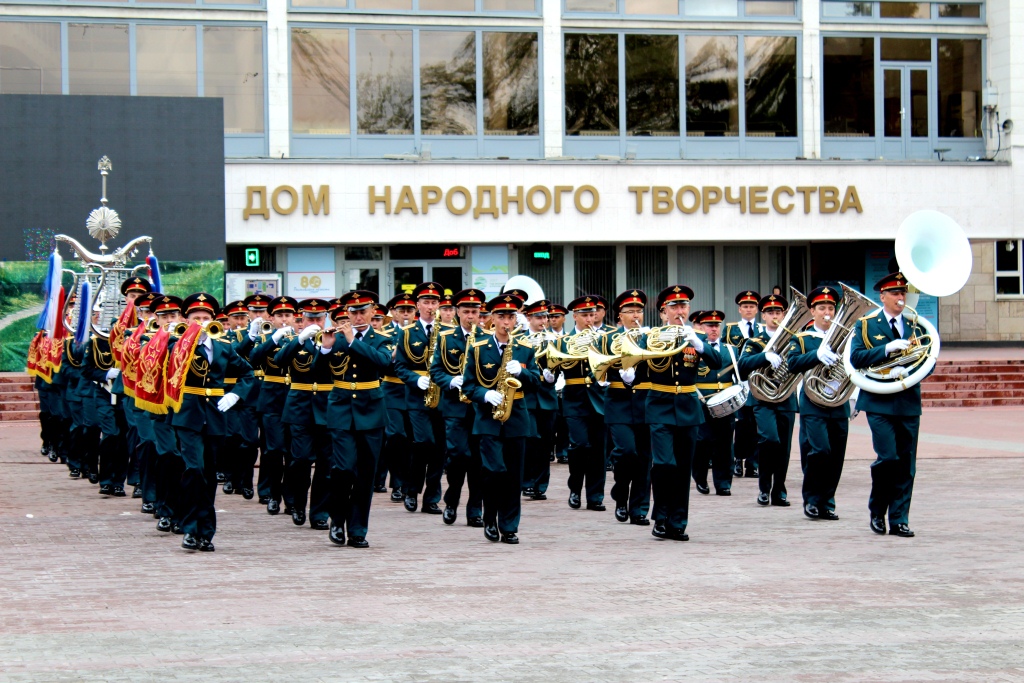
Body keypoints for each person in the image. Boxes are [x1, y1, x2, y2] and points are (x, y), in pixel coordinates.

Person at [166, 293, 254, 552]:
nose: (201, 322)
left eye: (206, 318)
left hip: (215, 416)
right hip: (188, 414)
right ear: (187, 319)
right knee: (193, 469)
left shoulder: (223, 348)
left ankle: (206, 532)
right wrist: (175, 339)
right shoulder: (176, 345)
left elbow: (248, 372)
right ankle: (190, 528)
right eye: (196, 318)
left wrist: (235, 393)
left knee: (209, 474)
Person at [317, 290, 395, 548]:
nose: (358, 316)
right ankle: (337, 520)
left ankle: (358, 529)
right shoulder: (335, 338)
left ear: (373, 312)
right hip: (340, 409)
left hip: (371, 410)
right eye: (353, 312)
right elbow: (315, 372)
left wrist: (353, 342)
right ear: (346, 313)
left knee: (366, 474)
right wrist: (325, 349)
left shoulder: (383, 338)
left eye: (363, 311)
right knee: (343, 468)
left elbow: (384, 363)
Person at [849, 272, 925, 538]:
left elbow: (929, 358)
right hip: (879, 401)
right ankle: (877, 510)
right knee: (888, 458)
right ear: (882, 297)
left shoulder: (917, 324)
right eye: (894, 293)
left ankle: (900, 519)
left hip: (907, 400)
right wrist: (886, 352)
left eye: (903, 293)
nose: (900, 298)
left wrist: (908, 372)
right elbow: (856, 357)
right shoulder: (867, 324)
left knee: (907, 463)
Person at [644, 285, 722, 541]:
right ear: (663, 312)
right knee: (665, 464)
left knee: (682, 468)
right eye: (674, 307)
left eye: (684, 306)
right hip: (660, 405)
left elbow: (716, 363)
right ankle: (661, 515)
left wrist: (700, 344)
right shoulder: (652, 336)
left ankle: (678, 522)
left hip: (688, 407)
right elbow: (636, 363)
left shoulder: (696, 336)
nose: (680, 311)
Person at [461, 294, 540, 544]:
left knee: (513, 475)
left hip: (516, 417)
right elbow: (468, 386)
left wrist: (523, 373)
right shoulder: (477, 348)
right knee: (494, 470)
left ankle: (509, 526)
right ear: (492, 318)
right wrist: (485, 395)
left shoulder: (525, 349)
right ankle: (490, 518)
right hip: (488, 419)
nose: (507, 321)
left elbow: (537, 382)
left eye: (511, 316)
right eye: (502, 316)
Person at [785, 286, 847, 521]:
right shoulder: (802, 338)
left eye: (831, 307)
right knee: (820, 450)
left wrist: (854, 398)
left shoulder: (845, 337)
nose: (827, 312)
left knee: (836, 456)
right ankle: (812, 499)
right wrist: (816, 356)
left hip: (840, 402)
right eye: (822, 308)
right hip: (813, 402)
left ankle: (827, 502)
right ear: (813, 311)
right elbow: (792, 364)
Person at [429, 288, 486, 526]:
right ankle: (451, 501)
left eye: (474, 312)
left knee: (479, 461)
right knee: (458, 456)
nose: (470, 316)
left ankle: (475, 510)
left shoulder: (488, 337)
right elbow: (435, 370)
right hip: (454, 406)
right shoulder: (445, 337)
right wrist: (451, 381)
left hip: (481, 408)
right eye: (466, 311)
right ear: (457, 313)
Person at [275, 298, 333, 530]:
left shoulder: (334, 339)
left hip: (328, 407)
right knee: (300, 459)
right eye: (311, 318)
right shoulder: (293, 340)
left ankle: (319, 512)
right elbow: (279, 361)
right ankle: (297, 502)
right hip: (300, 406)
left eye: (319, 318)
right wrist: (300, 339)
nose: (316, 322)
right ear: (302, 319)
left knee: (326, 464)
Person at [393, 282, 449, 515]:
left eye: (434, 302)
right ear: (417, 305)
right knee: (424, 443)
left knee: (440, 449)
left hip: (443, 396)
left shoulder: (448, 332)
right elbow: (400, 366)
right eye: (425, 302)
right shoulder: (407, 333)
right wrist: (416, 380)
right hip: (417, 397)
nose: (430, 306)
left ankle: (431, 498)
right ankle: (411, 490)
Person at [737, 294, 796, 508]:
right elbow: (742, 366)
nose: (775, 316)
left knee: (784, 447)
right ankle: (764, 487)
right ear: (763, 315)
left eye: (778, 312)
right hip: (762, 398)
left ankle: (779, 490)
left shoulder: (793, 340)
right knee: (769, 439)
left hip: (786, 397)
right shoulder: (755, 341)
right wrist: (764, 356)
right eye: (770, 312)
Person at [602, 290, 653, 526]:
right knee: (626, 452)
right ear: (619, 317)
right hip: (619, 404)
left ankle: (639, 509)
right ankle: (621, 495)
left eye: (639, 311)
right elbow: (599, 367)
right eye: (630, 312)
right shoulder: (608, 339)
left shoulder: (650, 338)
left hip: (644, 402)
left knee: (644, 458)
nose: (635, 316)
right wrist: (614, 374)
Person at [556, 296, 607, 512]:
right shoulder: (563, 341)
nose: (589, 319)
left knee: (598, 449)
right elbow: (553, 367)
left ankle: (595, 496)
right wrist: (550, 375)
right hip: (575, 398)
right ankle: (575, 488)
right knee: (579, 445)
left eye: (592, 314)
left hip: (599, 398)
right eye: (584, 315)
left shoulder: (604, 339)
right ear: (574, 316)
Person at [249, 296, 298, 515]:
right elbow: (254, 357)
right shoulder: (266, 338)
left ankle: (290, 497)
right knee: (274, 449)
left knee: (293, 452)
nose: (284, 319)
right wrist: (274, 339)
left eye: (288, 315)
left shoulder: (301, 338)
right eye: (280, 316)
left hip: (296, 399)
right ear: (272, 318)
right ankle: (271, 493)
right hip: (272, 400)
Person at [692, 310, 737, 497]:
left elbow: (738, 373)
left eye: (716, 325)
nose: (713, 329)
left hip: (725, 402)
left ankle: (723, 482)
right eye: (709, 325)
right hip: (702, 401)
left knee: (725, 444)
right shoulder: (695, 348)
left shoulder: (730, 350)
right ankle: (700, 477)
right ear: (701, 327)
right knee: (702, 442)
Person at [378, 293, 417, 500]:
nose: (405, 314)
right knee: (395, 436)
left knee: (412, 438)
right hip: (392, 388)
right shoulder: (384, 333)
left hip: (414, 390)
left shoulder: (420, 332)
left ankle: (407, 483)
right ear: (393, 311)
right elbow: (380, 362)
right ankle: (397, 482)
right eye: (401, 310)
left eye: (409, 310)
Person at [520, 299, 557, 501]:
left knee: (546, 443)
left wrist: (554, 375)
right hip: (527, 395)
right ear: (528, 318)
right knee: (530, 438)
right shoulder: (520, 338)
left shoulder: (553, 339)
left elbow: (560, 363)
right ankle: (526, 482)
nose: (543, 320)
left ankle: (540, 485)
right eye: (538, 317)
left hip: (547, 396)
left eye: (545, 317)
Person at [724, 290, 762, 479]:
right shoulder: (731, 329)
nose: (749, 309)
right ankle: (738, 458)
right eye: (745, 306)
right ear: (739, 309)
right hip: (738, 381)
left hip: (758, 381)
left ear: (757, 309)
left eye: (752, 306)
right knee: (741, 424)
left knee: (756, 423)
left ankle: (753, 463)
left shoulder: (762, 329)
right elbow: (724, 353)